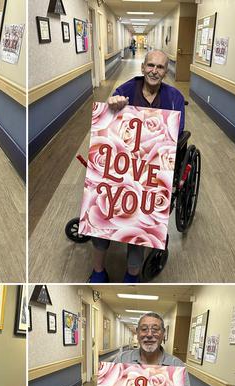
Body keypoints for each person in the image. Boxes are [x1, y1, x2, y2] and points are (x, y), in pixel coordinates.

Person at [88, 49, 186, 284]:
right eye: (150, 66)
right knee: (103, 212)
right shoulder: (125, 91)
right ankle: (98, 270)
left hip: (152, 170)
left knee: (139, 224)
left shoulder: (174, 97)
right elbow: (108, 126)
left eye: (160, 67)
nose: (154, 71)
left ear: (166, 71)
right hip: (121, 165)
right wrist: (112, 104)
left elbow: (176, 135)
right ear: (142, 68)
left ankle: (132, 274)